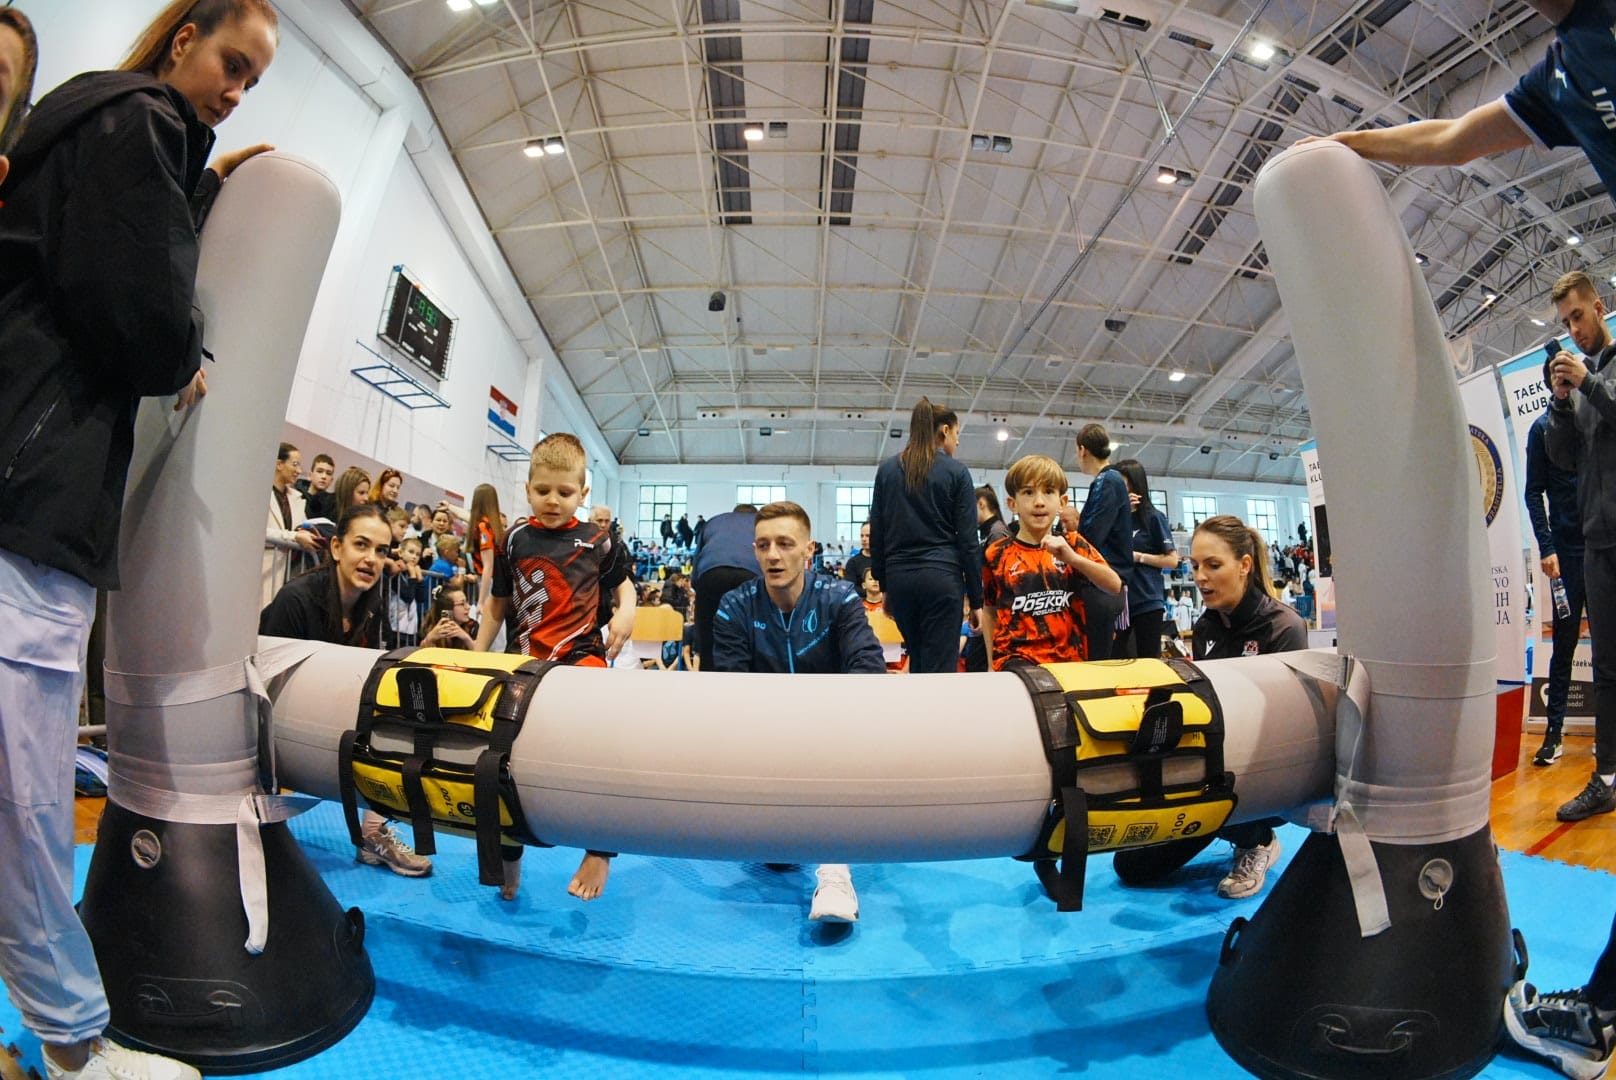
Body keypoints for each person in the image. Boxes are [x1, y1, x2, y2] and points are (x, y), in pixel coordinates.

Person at [0, 3, 283, 1076]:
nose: (234, 92)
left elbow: (85, 246)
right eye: (231, 63)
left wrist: (195, 188)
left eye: (252, 81)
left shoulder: (87, 127)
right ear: (181, 41)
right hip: (32, 506)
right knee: (24, 802)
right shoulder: (142, 122)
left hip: (26, 491)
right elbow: (146, 318)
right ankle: (75, 1044)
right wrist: (188, 342)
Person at [1112, 515, 1306, 901]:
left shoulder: (1285, 628)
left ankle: (1258, 839)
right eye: (1195, 565)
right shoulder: (1205, 628)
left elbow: (1293, 735)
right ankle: (1231, 826)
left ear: (1244, 565)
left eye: (1213, 565)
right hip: (1212, 768)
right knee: (1131, 867)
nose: (1200, 577)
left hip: (1268, 778)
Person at [475, 433, 634, 902]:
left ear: (582, 493)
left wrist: (626, 612)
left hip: (581, 655)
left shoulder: (599, 541)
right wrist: (477, 654)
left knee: (601, 743)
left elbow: (624, 586)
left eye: (564, 492)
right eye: (543, 490)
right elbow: (497, 605)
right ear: (527, 489)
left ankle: (600, 848)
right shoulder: (514, 540)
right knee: (501, 758)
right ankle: (509, 855)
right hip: (524, 659)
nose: (552, 500)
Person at [710, 501, 885, 922]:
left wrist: (826, 719)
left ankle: (835, 872)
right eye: (763, 545)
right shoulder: (734, 606)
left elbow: (868, 666)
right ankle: (783, 821)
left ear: (809, 550)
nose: (773, 555)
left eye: (785, 544)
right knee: (778, 859)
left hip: (832, 733)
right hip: (766, 738)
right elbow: (731, 691)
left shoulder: (839, 597)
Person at [260, 505, 433, 887]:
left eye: (381, 551)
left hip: (321, 711)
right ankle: (261, 833)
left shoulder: (372, 605)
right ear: (337, 548)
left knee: (401, 718)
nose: (371, 559)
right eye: (361, 545)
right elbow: (261, 688)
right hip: (271, 721)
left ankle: (373, 834)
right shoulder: (295, 600)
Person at [1546, 272, 1616, 823]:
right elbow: (1566, 460)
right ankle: (1607, 778)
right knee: (1609, 670)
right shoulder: (1584, 388)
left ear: (1599, 306)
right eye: (1566, 322)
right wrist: (1562, 404)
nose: (1574, 330)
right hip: (1597, 544)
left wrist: (1588, 383)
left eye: (1578, 316)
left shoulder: (1606, 374)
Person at [869, 397, 981, 673]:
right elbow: (969, 542)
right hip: (941, 580)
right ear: (945, 430)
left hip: (900, 581)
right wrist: (977, 600)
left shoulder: (887, 470)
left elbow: (877, 534)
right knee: (940, 670)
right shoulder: (957, 472)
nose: (957, 442)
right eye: (957, 434)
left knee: (917, 662)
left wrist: (885, 587)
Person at [980, 455, 1121, 670]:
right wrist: (991, 664)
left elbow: (1114, 585)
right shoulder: (996, 554)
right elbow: (990, 610)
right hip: (1015, 660)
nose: (1039, 501)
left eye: (1048, 491)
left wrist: (1073, 559)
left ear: (1062, 502)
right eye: (1028, 492)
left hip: (1068, 661)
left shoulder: (1073, 544)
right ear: (1012, 504)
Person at [1527, 360, 1586, 768]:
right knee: (1564, 646)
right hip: (1565, 555)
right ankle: (1553, 734)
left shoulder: (1593, 420)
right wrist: (1547, 547)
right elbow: (1534, 493)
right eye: (1555, 376)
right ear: (1550, 381)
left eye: (1568, 373)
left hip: (1602, 546)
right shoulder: (1540, 430)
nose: (1563, 381)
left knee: (1610, 647)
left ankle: (1610, 739)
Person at [1072, 424, 1134, 661]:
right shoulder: (1110, 480)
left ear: (1082, 450)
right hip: (1106, 582)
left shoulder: (1107, 481)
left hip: (1102, 582)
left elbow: (1092, 536)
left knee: (1097, 660)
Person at [1110, 459, 1180, 659]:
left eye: (1122, 483)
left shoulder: (1154, 518)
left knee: (1148, 659)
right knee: (1116, 658)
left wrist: (1139, 557)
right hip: (1120, 603)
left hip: (1147, 601)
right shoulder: (1114, 519)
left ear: (1134, 484)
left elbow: (1172, 560)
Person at [692, 504, 760, 669]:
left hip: (711, 573)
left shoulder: (714, 521)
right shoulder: (761, 523)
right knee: (755, 635)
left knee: (707, 637)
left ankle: (708, 675)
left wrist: (699, 590)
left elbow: (696, 562)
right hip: (752, 573)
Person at [263, 441, 320, 606]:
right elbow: (258, 531)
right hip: (263, 570)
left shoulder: (297, 499)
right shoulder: (260, 493)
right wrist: (294, 537)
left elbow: (301, 528)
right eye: (294, 464)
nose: (299, 471)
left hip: (287, 573)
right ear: (279, 464)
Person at [420, 584, 477, 649]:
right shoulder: (430, 628)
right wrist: (430, 639)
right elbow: (423, 653)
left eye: (467, 602)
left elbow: (479, 653)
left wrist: (466, 638)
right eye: (462, 604)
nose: (468, 607)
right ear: (448, 608)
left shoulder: (473, 627)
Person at [300, 452, 337, 523]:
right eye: (319, 471)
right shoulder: (296, 496)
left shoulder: (332, 506)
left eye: (328, 473)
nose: (324, 476)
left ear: (331, 480)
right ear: (310, 475)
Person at [841, 521, 872, 590]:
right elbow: (850, 587)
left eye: (868, 536)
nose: (864, 539)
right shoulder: (853, 562)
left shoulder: (885, 560)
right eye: (862, 536)